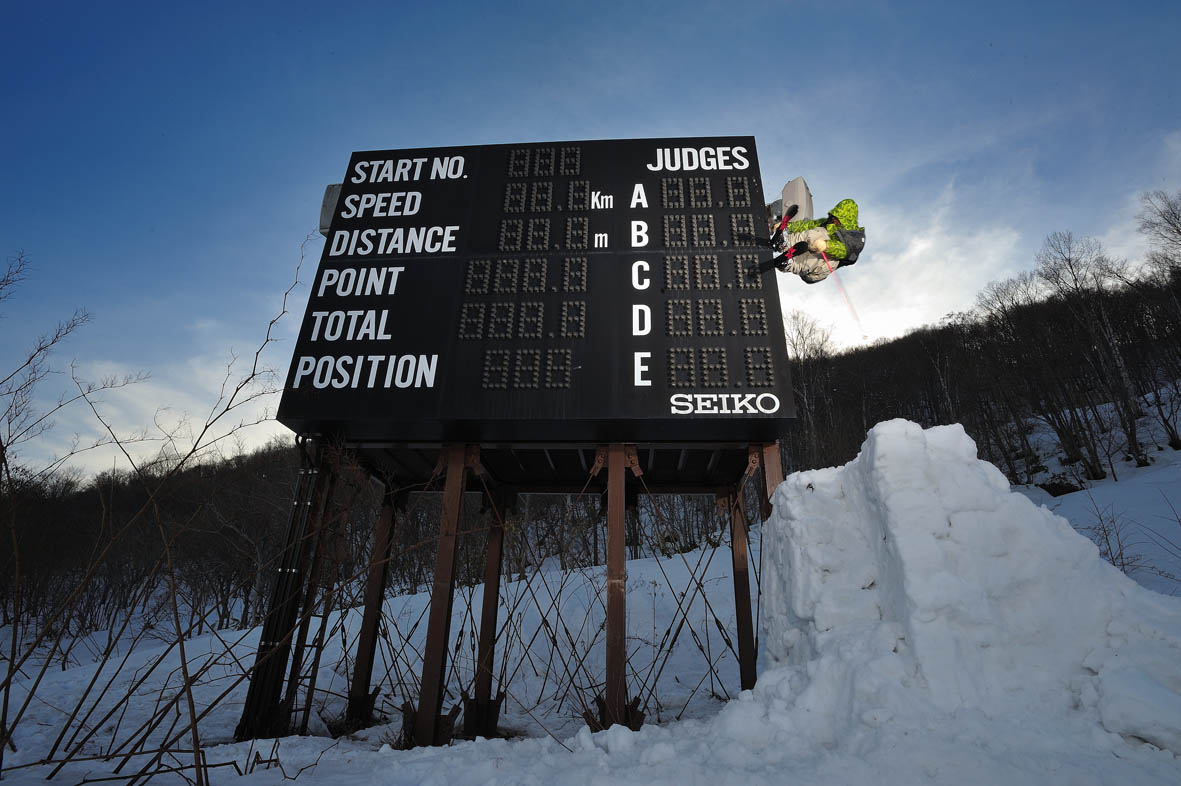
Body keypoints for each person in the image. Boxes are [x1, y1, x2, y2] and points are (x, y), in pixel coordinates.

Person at [772, 198, 865, 284]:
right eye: (834, 217)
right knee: (818, 231)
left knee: (823, 237)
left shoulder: (854, 238)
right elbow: (807, 225)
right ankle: (785, 243)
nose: (833, 220)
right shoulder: (827, 223)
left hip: (816, 271)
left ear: (846, 220)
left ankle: (790, 264)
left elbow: (844, 251)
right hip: (806, 250)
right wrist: (787, 226)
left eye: (837, 219)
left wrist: (826, 246)